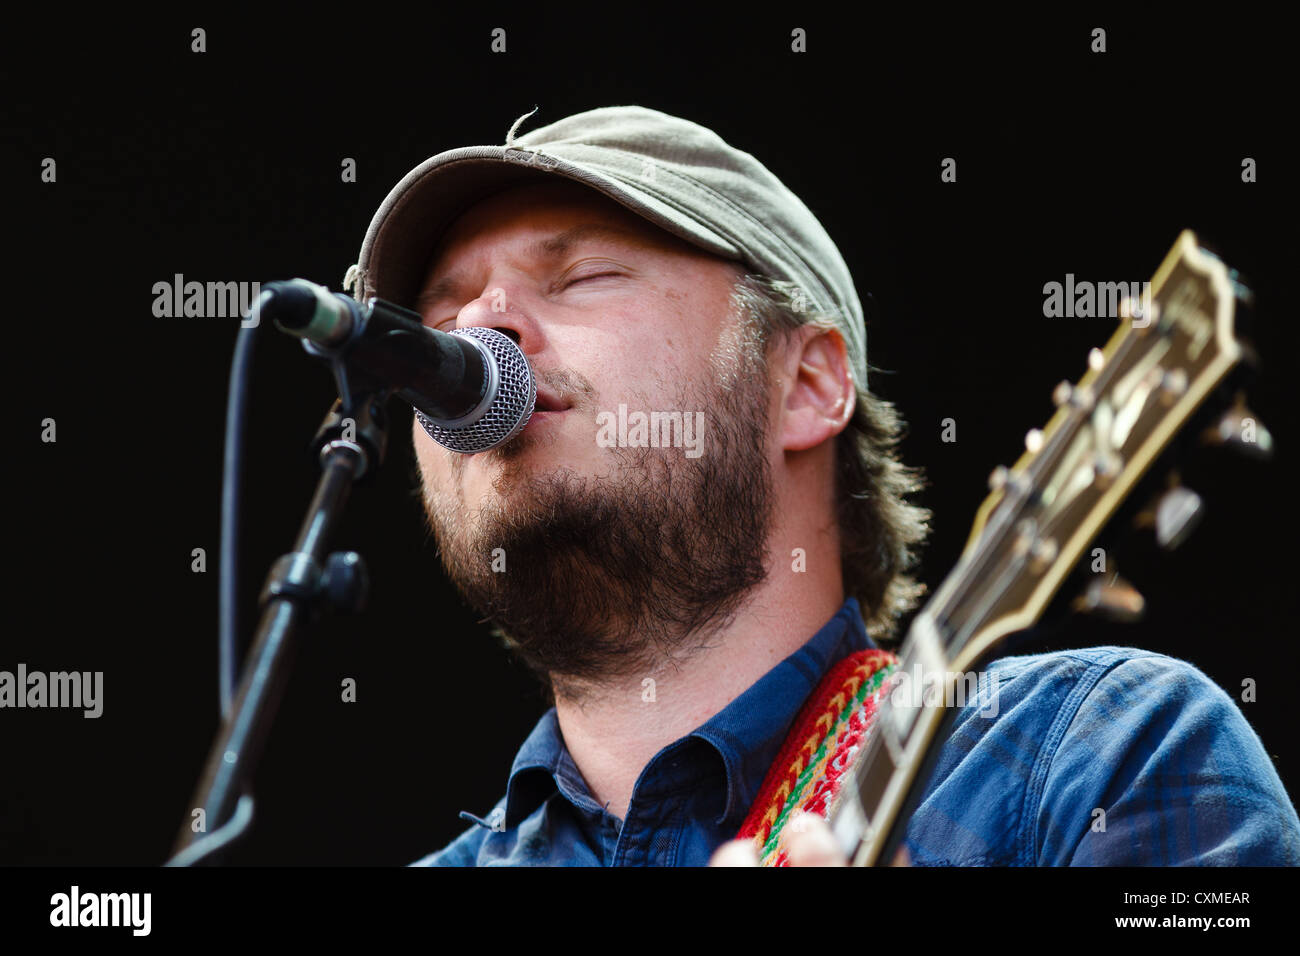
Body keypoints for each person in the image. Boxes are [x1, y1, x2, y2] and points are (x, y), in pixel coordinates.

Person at [343, 105, 1300, 866]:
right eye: (441, 312)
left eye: (584, 274)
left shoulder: (1093, 753)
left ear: (806, 386)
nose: (481, 326)